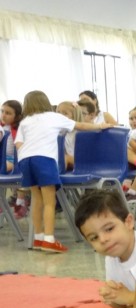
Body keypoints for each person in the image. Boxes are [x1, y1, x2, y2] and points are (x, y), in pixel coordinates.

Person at [15, 90, 111, 253]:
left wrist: (27, 154)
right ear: (46, 102)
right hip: (44, 159)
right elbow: (80, 125)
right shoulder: (54, 117)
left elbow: (18, 144)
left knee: (36, 200)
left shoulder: (25, 122)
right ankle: (49, 239)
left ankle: (38, 238)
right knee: (49, 202)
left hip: (25, 160)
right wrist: (100, 126)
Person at [56, 190, 136, 308]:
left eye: (109, 229)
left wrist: (129, 297)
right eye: (94, 238)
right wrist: (113, 298)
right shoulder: (112, 257)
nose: (103, 240)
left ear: (128, 222)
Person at [1, 99, 28, 219]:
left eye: (8, 113)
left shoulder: (20, 129)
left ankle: (21, 202)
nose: (3, 115)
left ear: (17, 116)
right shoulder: (2, 127)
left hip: (14, 160)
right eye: (2, 111)